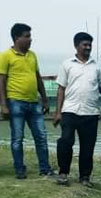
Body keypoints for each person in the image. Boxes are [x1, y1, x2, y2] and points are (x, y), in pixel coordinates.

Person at [0, 23, 54, 179]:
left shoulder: (32, 55)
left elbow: (37, 77)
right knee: (17, 138)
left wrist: (44, 100)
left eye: (30, 36)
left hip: (34, 102)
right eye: (27, 36)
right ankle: (19, 169)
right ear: (17, 38)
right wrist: (3, 105)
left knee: (42, 137)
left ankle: (45, 168)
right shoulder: (5, 56)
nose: (30, 39)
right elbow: (1, 81)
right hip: (15, 102)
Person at [54, 32, 101, 187]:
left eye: (90, 45)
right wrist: (58, 112)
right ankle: (63, 173)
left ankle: (85, 177)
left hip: (91, 112)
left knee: (88, 146)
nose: (88, 47)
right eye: (85, 44)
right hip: (70, 110)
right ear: (76, 45)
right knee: (66, 141)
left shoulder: (97, 67)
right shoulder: (67, 64)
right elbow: (61, 89)